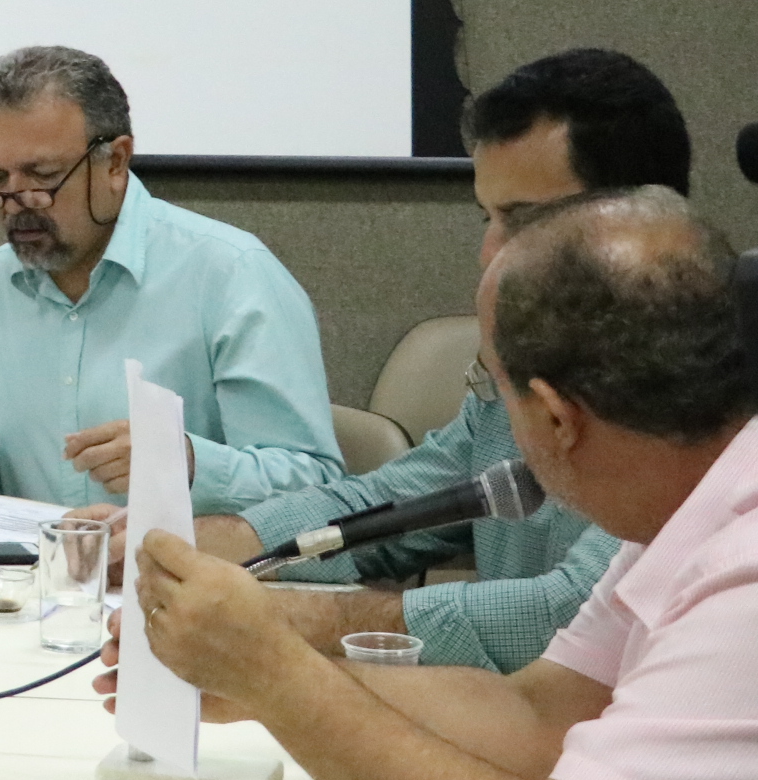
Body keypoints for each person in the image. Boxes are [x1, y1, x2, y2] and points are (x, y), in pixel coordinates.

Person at [113, 189, 758, 780]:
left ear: (555, 418)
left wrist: (278, 676)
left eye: (494, 389)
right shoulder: (685, 502)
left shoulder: (744, 570)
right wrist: (249, 679)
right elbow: (536, 716)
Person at [193, 49, 689, 669]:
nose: (489, 252)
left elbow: (572, 616)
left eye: (523, 220)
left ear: (637, 219)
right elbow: (386, 510)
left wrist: (301, 620)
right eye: (489, 217)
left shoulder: (700, 392)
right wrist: (217, 545)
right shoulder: (526, 372)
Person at [0, 45, 340, 515]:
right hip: (29, 559)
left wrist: (186, 463)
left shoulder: (231, 275)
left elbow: (318, 489)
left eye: (42, 176)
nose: (15, 203)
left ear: (115, 162)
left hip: (185, 561)